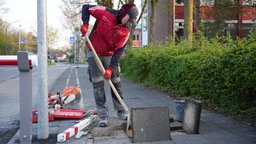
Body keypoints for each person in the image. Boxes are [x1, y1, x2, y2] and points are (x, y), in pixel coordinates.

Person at [80, 3, 139, 127]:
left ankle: (121, 111)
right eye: (129, 19)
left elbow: (118, 52)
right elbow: (86, 7)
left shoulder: (126, 30)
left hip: (109, 55)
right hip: (93, 51)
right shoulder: (106, 12)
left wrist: (111, 68)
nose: (128, 22)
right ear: (124, 13)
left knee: (116, 81)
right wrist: (85, 23)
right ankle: (103, 116)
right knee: (98, 85)